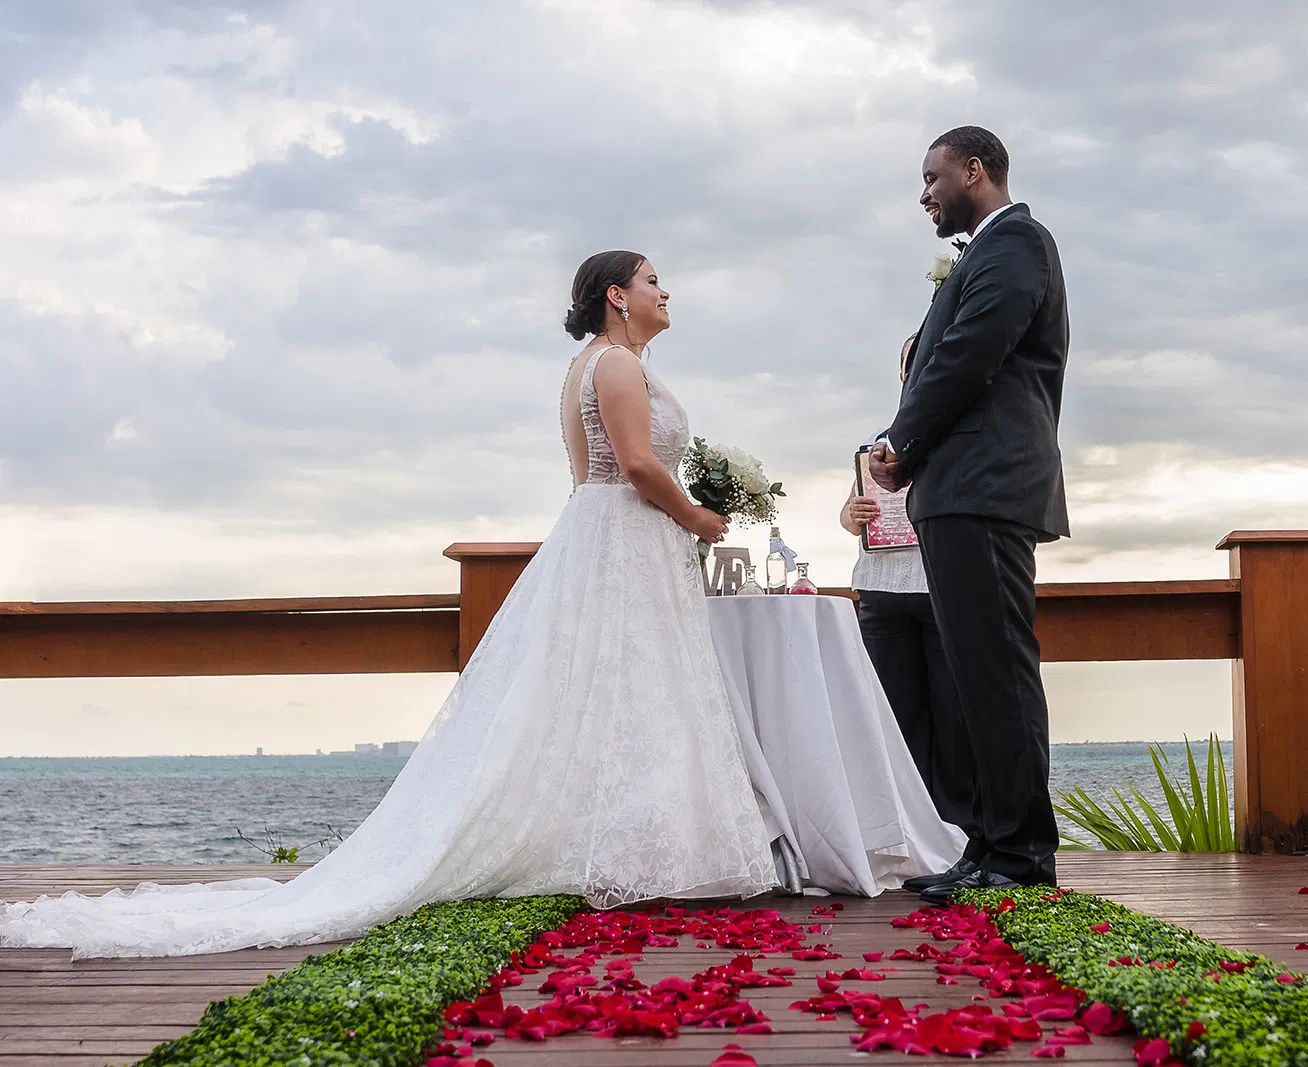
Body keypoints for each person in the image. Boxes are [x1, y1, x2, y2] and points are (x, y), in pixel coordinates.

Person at [0, 251, 779, 958]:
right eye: (651, 280)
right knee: (630, 690)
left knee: (615, 694)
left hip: (605, 536)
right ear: (618, 295)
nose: (664, 289)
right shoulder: (614, 364)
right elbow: (638, 464)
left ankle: (627, 843)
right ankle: (631, 847)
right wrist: (700, 517)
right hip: (623, 534)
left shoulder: (594, 363)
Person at [869, 126, 1069, 904]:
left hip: (985, 485)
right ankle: (988, 843)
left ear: (975, 169)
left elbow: (969, 352)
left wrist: (902, 441)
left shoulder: (1015, 244)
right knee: (973, 677)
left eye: (932, 176)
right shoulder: (985, 251)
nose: (924, 193)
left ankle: (1021, 855)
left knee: (998, 673)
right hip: (959, 490)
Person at [840, 345, 978, 843]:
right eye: (908, 361)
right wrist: (850, 515)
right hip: (879, 589)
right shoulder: (878, 443)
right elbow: (849, 512)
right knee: (893, 717)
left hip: (938, 584)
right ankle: (903, 828)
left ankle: (956, 829)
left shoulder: (959, 432)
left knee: (953, 717)